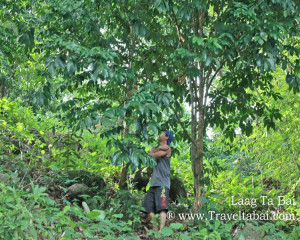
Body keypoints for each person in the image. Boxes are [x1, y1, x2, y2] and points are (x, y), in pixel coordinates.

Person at [142, 130, 174, 231]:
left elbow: (155, 155)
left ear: (166, 137)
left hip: (163, 184)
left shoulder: (168, 148)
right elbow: (153, 152)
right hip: (154, 183)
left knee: (162, 208)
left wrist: (148, 152)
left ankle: (162, 231)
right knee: (148, 207)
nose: (159, 134)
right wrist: (155, 149)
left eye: (162, 133)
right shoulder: (156, 148)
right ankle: (155, 230)